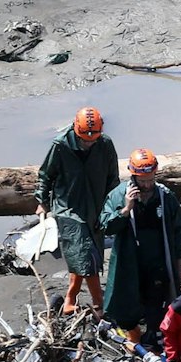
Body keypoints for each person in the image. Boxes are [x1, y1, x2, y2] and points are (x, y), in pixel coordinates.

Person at [100, 148, 181, 362]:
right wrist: (127, 209)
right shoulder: (118, 195)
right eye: (143, 180)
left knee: (156, 316)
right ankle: (134, 343)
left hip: (158, 266)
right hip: (130, 266)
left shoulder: (165, 196)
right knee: (125, 311)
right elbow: (107, 226)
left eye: (151, 179)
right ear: (134, 176)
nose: (148, 184)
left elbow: (179, 230)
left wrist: (179, 265)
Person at [36, 106, 119, 314]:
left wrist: (114, 204)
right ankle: (99, 301)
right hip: (68, 207)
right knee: (83, 251)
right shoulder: (61, 145)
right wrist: (42, 201)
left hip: (96, 205)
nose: (88, 143)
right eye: (84, 139)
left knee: (86, 254)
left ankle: (70, 297)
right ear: (75, 130)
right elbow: (46, 174)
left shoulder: (105, 145)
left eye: (93, 139)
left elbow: (113, 178)